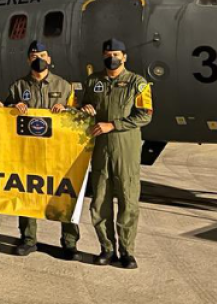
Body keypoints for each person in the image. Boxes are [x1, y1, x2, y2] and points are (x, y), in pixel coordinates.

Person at [0, 41, 81, 261]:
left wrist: (68, 109)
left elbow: (78, 117)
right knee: (26, 193)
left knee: (64, 194)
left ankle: (69, 243)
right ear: (28, 60)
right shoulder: (18, 87)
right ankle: (28, 239)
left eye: (42, 55)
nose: (39, 59)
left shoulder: (64, 87)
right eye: (34, 55)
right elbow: (2, 116)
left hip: (58, 152)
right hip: (28, 152)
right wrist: (12, 108)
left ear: (50, 59)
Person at [79, 38, 153, 270]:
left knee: (128, 201)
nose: (113, 57)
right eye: (109, 53)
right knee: (99, 201)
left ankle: (127, 251)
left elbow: (145, 115)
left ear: (125, 57)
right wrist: (86, 109)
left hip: (125, 149)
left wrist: (114, 125)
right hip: (101, 149)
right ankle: (107, 248)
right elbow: (85, 106)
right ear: (103, 55)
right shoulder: (93, 81)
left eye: (117, 54)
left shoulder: (138, 83)